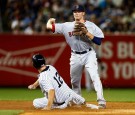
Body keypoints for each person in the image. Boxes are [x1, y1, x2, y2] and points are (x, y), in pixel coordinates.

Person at [46, 5, 106, 108]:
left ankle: (101, 101)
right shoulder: (66, 26)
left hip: (89, 54)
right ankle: (78, 101)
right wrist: (50, 21)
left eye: (79, 11)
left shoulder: (91, 26)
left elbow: (99, 41)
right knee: (74, 81)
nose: (76, 13)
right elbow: (49, 27)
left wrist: (87, 33)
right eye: (74, 11)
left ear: (83, 13)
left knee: (95, 76)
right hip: (75, 55)